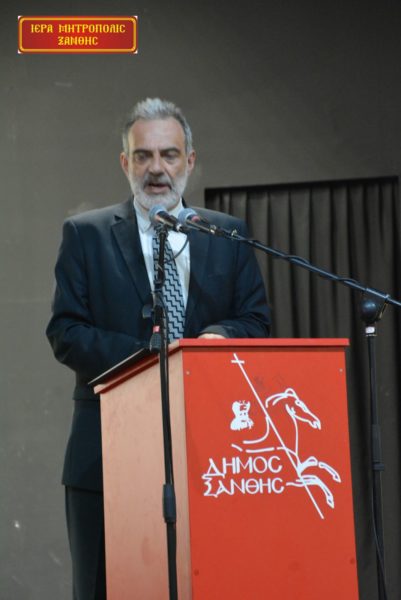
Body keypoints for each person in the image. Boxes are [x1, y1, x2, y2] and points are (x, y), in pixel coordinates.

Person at [46, 98, 270, 599]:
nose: (156, 169)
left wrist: (219, 337)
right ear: (125, 162)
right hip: (105, 456)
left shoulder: (227, 234)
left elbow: (255, 320)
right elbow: (66, 332)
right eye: (143, 156)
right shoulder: (86, 234)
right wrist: (151, 358)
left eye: (169, 155)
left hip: (211, 457)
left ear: (189, 160)